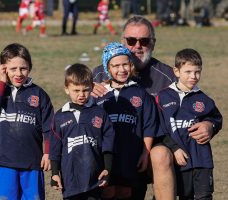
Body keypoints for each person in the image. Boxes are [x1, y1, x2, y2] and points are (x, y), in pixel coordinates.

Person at [92, 15, 219, 200]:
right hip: (113, 148)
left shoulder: (168, 76)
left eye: (144, 41)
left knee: (159, 154)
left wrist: (210, 124)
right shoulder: (98, 75)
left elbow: (199, 104)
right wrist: (88, 93)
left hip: (154, 147)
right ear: (122, 42)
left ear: (153, 43)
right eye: (131, 40)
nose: (137, 46)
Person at [0, 43, 54, 200]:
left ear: (30, 67)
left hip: (32, 163)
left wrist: (48, 152)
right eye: (13, 69)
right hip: (3, 162)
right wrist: (2, 82)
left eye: (23, 68)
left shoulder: (39, 94)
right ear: (3, 69)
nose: (18, 73)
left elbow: (49, 127)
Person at [94, 42, 158, 199]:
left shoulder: (141, 94)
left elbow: (149, 126)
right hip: (105, 157)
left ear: (131, 65)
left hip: (131, 155)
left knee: (126, 192)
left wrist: (145, 153)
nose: (121, 70)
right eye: (116, 66)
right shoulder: (98, 95)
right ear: (107, 68)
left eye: (125, 64)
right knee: (107, 191)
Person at [156, 48, 223, 200]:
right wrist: (174, 148)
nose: (193, 76)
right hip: (179, 159)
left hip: (202, 160)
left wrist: (210, 125)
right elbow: (160, 128)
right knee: (185, 196)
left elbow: (217, 119)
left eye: (197, 72)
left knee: (204, 196)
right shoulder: (163, 96)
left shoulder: (204, 99)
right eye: (188, 72)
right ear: (176, 71)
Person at [49, 63, 115, 200]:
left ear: (91, 87)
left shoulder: (100, 113)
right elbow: (55, 149)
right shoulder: (60, 116)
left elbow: (108, 144)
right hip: (70, 182)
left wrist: (107, 169)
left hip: (95, 180)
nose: (81, 95)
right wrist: (55, 173)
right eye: (76, 90)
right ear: (67, 89)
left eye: (85, 90)